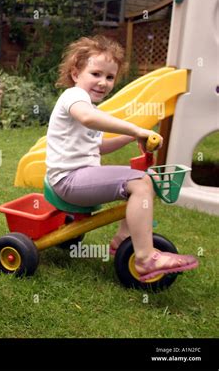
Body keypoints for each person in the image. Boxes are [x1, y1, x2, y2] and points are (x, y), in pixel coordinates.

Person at [46, 35, 198, 281]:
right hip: (69, 180)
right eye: (95, 74)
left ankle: (121, 241)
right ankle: (146, 258)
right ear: (75, 73)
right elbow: (87, 118)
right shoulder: (74, 97)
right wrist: (135, 129)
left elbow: (98, 148)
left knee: (140, 181)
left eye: (109, 77)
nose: (103, 83)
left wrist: (128, 139)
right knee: (139, 182)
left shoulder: (90, 106)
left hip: (77, 177)